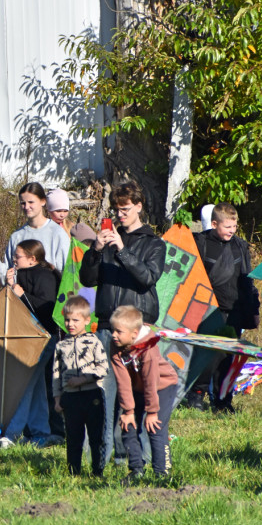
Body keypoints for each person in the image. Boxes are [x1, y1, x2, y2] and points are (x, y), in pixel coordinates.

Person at [79, 181, 165, 467]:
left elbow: (147, 278)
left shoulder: (154, 243)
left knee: (140, 395)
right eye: (116, 210)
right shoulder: (105, 242)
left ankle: (140, 459)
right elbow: (87, 280)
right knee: (106, 395)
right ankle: (101, 461)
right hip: (106, 324)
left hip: (138, 329)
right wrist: (95, 249)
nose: (120, 215)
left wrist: (121, 250)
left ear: (139, 207)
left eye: (126, 209)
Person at [191, 203, 260, 413]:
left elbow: (246, 278)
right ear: (214, 224)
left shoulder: (240, 245)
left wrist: (251, 306)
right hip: (209, 309)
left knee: (227, 358)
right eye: (227, 226)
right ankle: (196, 395)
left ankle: (222, 401)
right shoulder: (201, 243)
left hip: (234, 311)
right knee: (207, 356)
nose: (232, 230)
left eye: (234, 226)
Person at [110, 305, 178, 485]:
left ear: (134, 333)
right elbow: (122, 380)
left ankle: (162, 473)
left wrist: (152, 411)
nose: (113, 335)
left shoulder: (148, 349)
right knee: (127, 424)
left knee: (155, 427)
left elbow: (151, 381)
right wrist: (128, 411)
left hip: (162, 385)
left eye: (118, 331)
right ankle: (136, 469)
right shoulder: (116, 347)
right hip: (136, 387)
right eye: (112, 330)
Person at [4, 239, 62, 444]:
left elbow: (47, 308)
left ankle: (11, 433)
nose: (13, 259)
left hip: (43, 337)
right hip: (28, 336)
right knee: (36, 386)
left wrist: (21, 293)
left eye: (17, 256)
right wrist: (11, 286)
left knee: (24, 384)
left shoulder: (45, 276)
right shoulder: (23, 274)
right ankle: (39, 432)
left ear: (32, 259)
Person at [52, 296, 109, 477]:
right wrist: (57, 399)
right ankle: (73, 473)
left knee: (96, 437)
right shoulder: (61, 345)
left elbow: (103, 368)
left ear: (86, 320)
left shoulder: (94, 342)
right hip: (70, 398)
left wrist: (83, 379)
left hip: (92, 395)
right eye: (67, 320)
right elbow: (55, 374)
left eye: (75, 320)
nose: (70, 324)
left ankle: (97, 472)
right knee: (74, 438)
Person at [0, 182, 70, 282]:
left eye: (31, 202)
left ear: (43, 201)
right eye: (23, 203)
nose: (26, 207)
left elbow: (67, 273)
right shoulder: (17, 236)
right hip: (20, 297)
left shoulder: (57, 234)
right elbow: (8, 279)